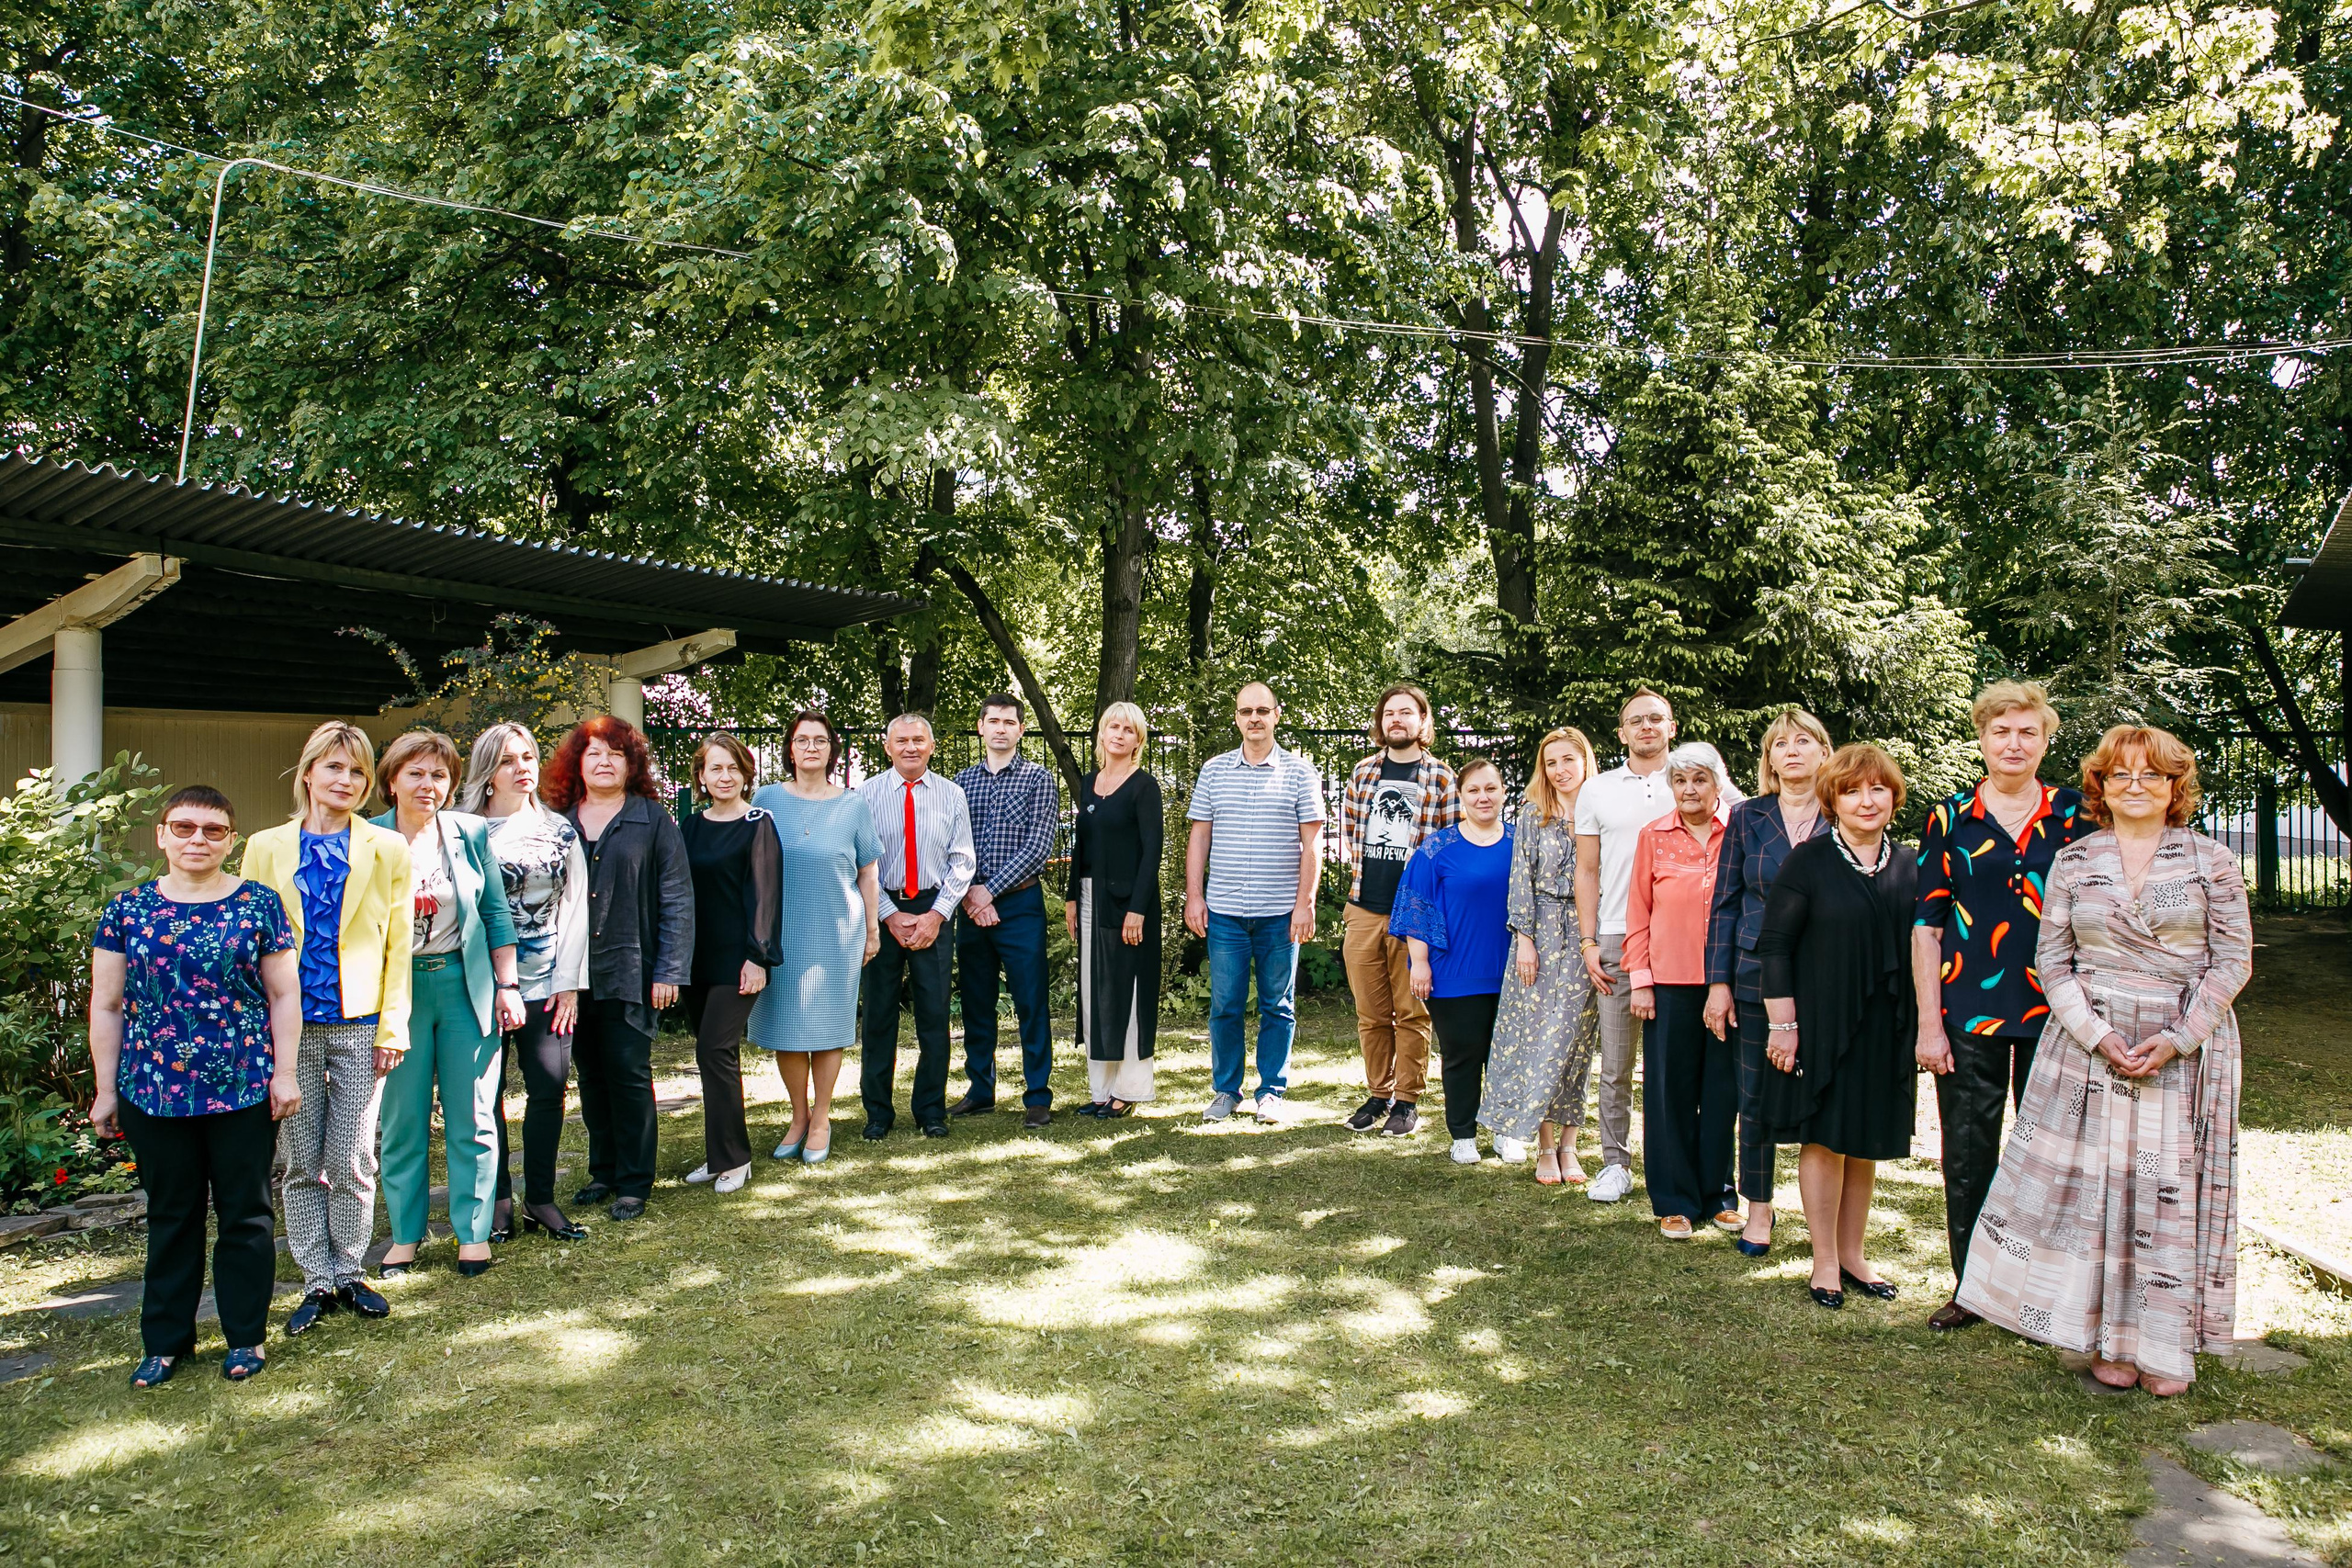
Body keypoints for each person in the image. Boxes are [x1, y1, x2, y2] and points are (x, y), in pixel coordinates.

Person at [1958, 727, 2249, 1396]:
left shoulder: (2211, 861)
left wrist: (2178, 1037)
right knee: (2101, 1194)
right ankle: (2106, 1341)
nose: (2136, 786)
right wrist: (2095, 1032)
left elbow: (2233, 960)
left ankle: (2165, 1346)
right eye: (2121, 775)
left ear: (2176, 787)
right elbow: (2051, 960)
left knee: (2167, 1198)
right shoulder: (2076, 861)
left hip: (2181, 1052)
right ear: (2101, 787)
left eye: (2152, 775)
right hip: (2092, 1050)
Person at [90, 786, 301, 1386]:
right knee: (171, 1214)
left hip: (241, 1087)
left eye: (212, 830)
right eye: (183, 827)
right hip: (153, 1090)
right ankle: (165, 1341)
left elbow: (285, 994)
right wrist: (107, 1090)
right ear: (161, 835)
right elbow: (106, 1005)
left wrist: (284, 1072)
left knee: (246, 1214)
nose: (197, 839)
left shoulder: (258, 904)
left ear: (230, 840)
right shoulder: (127, 910)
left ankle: (245, 1338)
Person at [1911, 682, 2091, 1331]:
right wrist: (1930, 1023)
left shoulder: (2077, 814)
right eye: (2001, 731)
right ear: (1983, 738)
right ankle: (1975, 1288)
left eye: (2027, 732)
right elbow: (1927, 927)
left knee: (2054, 1157)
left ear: (2046, 740)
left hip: (2060, 1016)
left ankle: (2053, 1292)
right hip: (1967, 1014)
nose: (2013, 743)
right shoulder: (1950, 816)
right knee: (1967, 1153)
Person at [242, 720, 409, 1334]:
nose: (345, 780)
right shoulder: (264, 846)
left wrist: (394, 1025)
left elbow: (398, 943)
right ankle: (316, 1277)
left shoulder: (387, 848)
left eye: (358, 771)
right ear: (308, 771)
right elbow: (250, 940)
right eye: (333, 767)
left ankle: (351, 1269)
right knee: (299, 1155)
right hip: (289, 1026)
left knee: (353, 1155)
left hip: (362, 1023)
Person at [1755, 743, 1919, 1310]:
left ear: (1894, 797)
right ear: (1833, 801)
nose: (1866, 800)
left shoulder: (1910, 864)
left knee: (1865, 1135)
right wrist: (1784, 1024)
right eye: (1852, 790)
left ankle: (1853, 1254)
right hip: (1819, 1020)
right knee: (1824, 1136)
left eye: (1877, 789)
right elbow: (1774, 946)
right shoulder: (1810, 860)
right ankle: (1824, 1258)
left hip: (1887, 1022)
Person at [371, 730, 524, 1280]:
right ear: (392, 781)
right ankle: (405, 1235)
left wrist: (508, 986)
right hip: (398, 994)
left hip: (465, 987)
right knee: (403, 1120)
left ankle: (474, 1233)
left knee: (475, 1116)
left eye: (439, 775)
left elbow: (495, 911)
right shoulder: (366, 838)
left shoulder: (471, 831)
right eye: (415, 773)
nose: (428, 785)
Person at [546, 715, 694, 1221]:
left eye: (615, 753)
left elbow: (676, 898)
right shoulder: (556, 820)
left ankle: (634, 1181)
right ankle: (603, 1171)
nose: (604, 762)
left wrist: (670, 970)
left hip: (630, 968)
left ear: (631, 764)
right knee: (590, 1075)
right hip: (568, 975)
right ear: (578, 763)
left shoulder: (652, 820)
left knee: (628, 1072)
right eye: (594, 753)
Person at [1704, 708, 1835, 1256]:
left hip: (1828, 975)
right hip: (1756, 976)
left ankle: (1826, 1225)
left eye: (1803, 741)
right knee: (1754, 1098)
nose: (1793, 751)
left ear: (1824, 752)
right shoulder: (1747, 817)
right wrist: (1719, 984)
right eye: (1780, 744)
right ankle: (1759, 1211)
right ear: (1769, 760)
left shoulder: (1846, 811)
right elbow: (1726, 903)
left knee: (1825, 1102)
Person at [460, 722, 591, 1243]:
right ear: (488, 772)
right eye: (509, 760)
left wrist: (568, 984)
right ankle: (498, 1202)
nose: (523, 769)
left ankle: (540, 1198)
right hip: (475, 985)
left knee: (548, 1090)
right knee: (483, 1098)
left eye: (529, 757)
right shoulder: (460, 830)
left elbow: (576, 909)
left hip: (546, 986)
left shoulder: (560, 832)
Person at [1184, 682, 1326, 1123]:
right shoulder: (1214, 771)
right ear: (1236, 718)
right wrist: (1194, 896)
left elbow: (1313, 845)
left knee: (1277, 1006)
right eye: (1246, 711)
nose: (1254, 718)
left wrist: (1306, 904)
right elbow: (1199, 837)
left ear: (1277, 715)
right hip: (1224, 911)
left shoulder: (1301, 773)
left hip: (1280, 913)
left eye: (1263, 710)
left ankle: (1271, 1092)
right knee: (1224, 1006)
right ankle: (1227, 1091)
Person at [748, 710, 881, 1165]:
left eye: (819, 740)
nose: (810, 747)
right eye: (802, 739)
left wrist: (873, 930)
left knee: (827, 1032)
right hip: (781, 933)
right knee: (787, 1030)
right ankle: (798, 1116)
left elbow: (868, 872)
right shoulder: (765, 800)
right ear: (790, 748)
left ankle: (822, 1118)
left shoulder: (853, 804)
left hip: (837, 932)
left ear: (831, 749)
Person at [1338, 684, 1461, 1135]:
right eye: (1389, 713)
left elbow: (1451, 851)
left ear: (1423, 722)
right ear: (1381, 721)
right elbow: (1352, 835)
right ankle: (1377, 1093)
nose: (1397, 720)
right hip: (1365, 909)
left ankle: (1407, 1100)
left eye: (1406, 712)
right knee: (1370, 1012)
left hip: (1417, 913)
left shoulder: (1443, 779)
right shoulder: (1363, 772)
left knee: (1412, 1011)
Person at [1625, 744, 1736, 1239]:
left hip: (1728, 985)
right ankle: (1674, 1200)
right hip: (1669, 984)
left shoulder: (1740, 831)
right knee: (1669, 1092)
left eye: (1699, 780)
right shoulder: (1654, 836)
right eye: (1680, 781)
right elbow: (1638, 912)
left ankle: (1719, 1195)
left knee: (1721, 1093)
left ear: (1717, 783)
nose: (1689, 790)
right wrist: (1641, 981)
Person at [1573, 688, 1679, 1202]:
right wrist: (1589, 940)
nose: (1646, 727)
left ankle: (1677, 1162)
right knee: (1616, 1063)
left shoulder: (1696, 781)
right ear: (1621, 733)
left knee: (1675, 1062)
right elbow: (1587, 870)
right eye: (1636, 721)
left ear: (1672, 726)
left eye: (1656, 718)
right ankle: (1615, 1164)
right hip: (1615, 935)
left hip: (1682, 938)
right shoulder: (1596, 790)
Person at [1485, 727, 1603, 1184]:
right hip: (1542, 933)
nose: (1560, 770)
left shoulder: (1602, 809)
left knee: (1575, 1041)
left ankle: (1571, 1145)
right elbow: (1520, 879)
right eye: (1551, 762)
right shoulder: (1534, 814)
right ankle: (1545, 1146)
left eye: (1568, 760)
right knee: (1539, 1039)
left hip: (1589, 933)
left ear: (1585, 760)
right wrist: (1526, 939)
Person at [1389, 757, 1515, 1165]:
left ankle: (1505, 1130)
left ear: (1503, 792)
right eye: (1474, 790)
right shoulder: (1438, 848)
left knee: (1508, 1053)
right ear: (1461, 797)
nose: (1483, 797)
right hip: (1453, 970)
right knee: (1463, 1053)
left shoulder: (1520, 841)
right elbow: (1415, 906)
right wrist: (1419, 962)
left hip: (1514, 970)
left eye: (1491, 788)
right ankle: (1462, 1133)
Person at [858, 713, 976, 1140]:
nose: (910, 747)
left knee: (934, 1014)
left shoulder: (952, 795)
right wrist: (887, 914)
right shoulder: (865, 794)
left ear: (931, 746)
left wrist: (936, 915)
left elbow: (962, 861)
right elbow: (859, 859)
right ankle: (877, 1112)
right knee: (878, 1014)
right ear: (887, 747)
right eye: (901, 740)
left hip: (933, 908)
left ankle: (931, 1110)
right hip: (881, 906)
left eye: (919, 740)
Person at [950, 694, 1061, 1128]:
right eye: (992, 721)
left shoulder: (1038, 780)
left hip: (1019, 905)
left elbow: (1038, 848)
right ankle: (981, 1090)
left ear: (1020, 730)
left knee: (1031, 1000)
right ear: (981, 727)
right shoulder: (960, 784)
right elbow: (951, 846)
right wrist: (970, 896)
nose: (1000, 728)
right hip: (970, 905)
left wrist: (988, 893)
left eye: (1009, 722)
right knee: (977, 1002)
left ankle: (1037, 1095)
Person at [679, 733, 782, 1192]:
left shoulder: (758, 822)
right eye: (714, 768)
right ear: (701, 776)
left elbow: (766, 895)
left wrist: (757, 957)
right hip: (696, 959)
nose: (724, 776)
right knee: (712, 1059)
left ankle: (736, 1159)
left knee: (714, 1051)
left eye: (732, 768)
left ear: (745, 773)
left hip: (739, 960)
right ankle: (718, 1153)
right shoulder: (690, 827)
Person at [1069, 702, 1164, 1116]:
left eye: (1128, 729)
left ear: (1138, 739)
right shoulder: (1091, 782)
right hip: (1091, 900)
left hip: (1129, 906)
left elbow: (1152, 851)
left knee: (1127, 992)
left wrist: (1138, 909)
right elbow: (1082, 845)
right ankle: (1100, 1090)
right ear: (1102, 734)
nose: (1119, 734)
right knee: (1096, 990)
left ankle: (1129, 1090)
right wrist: (1072, 896)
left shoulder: (1145, 786)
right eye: (1113, 726)